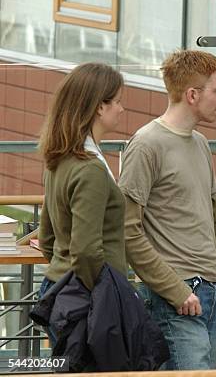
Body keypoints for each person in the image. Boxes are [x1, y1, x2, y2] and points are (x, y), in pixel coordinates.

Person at [118, 50, 216, 370]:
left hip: (208, 293)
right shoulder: (146, 145)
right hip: (174, 298)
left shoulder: (201, 144)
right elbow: (127, 229)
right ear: (192, 95)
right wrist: (173, 290)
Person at [37, 62, 127, 343]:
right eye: (118, 101)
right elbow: (86, 250)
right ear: (100, 107)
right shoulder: (90, 168)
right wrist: (107, 298)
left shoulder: (59, 159)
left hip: (61, 290)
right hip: (88, 300)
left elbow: (47, 239)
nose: (122, 109)